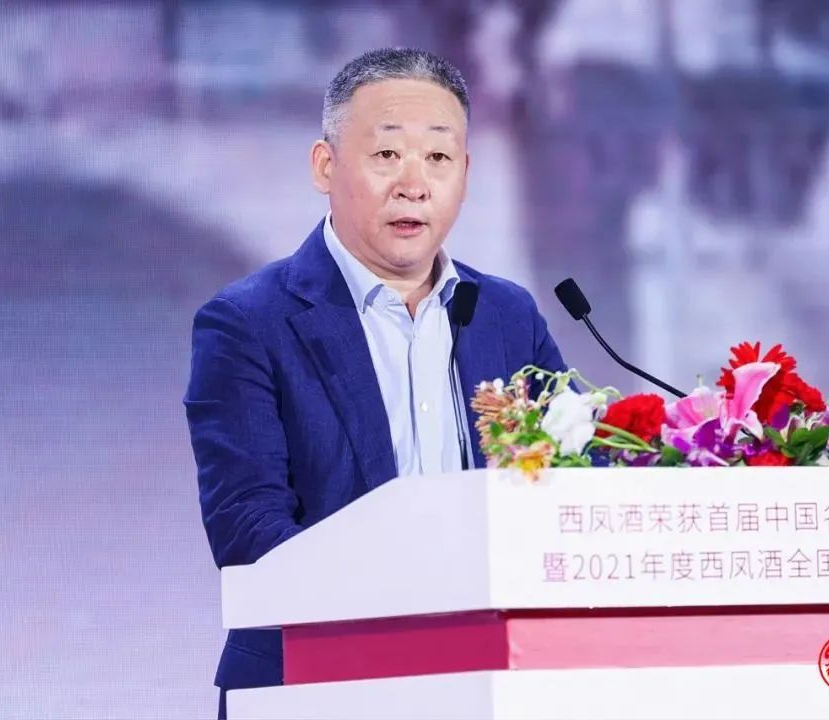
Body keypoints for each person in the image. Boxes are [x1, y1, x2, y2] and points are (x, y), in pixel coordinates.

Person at [183, 47, 567, 717]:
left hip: (490, 684)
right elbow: (249, 529)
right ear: (325, 166)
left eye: (438, 157)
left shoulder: (506, 315)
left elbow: (571, 485)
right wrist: (419, 605)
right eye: (387, 154)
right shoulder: (248, 323)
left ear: (465, 173)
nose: (414, 184)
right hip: (319, 683)